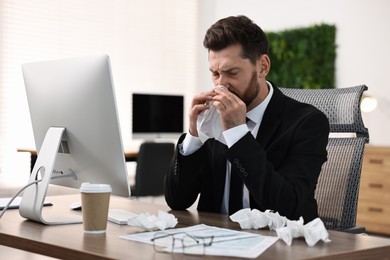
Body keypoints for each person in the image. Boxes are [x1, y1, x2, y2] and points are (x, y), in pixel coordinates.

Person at [164, 15, 329, 223]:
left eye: (232, 72)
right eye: (215, 73)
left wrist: (237, 134)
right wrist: (193, 136)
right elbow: (177, 201)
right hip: (214, 242)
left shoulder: (307, 122)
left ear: (262, 67)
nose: (220, 85)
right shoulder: (212, 117)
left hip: (277, 246)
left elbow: (288, 206)